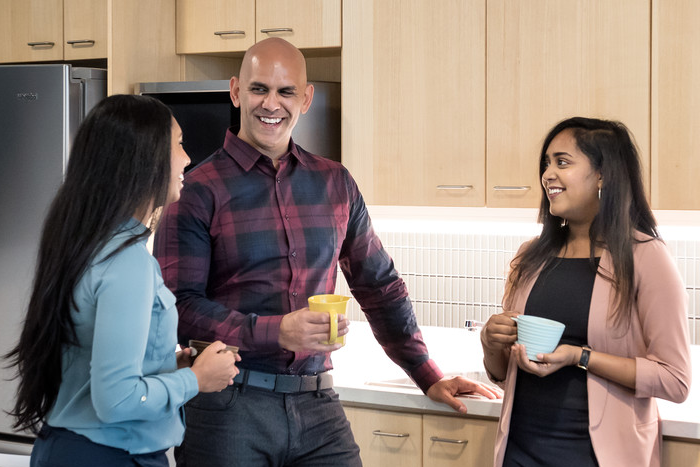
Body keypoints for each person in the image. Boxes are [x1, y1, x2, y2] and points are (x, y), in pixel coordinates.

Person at [154, 37, 500, 467]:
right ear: (236, 91)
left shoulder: (335, 183)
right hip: (228, 407)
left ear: (307, 98)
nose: (271, 104)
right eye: (259, 88)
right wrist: (276, 330)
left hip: (317, 403)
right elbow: (176, 308)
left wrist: (427, 375)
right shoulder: (197, 190)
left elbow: (379, 287)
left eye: (286, 92)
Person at [4, 94, 241, 467]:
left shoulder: (84, 242)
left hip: (66, 449)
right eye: (178, 144)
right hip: (109, 456)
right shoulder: (128, 262)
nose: (187, 158)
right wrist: (196, 380)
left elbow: (93, 360)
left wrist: (166, 364)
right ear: (143, 158)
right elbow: (115, 399)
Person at [480, 117, 692, 467]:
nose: (548, 174)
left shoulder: (646, 257)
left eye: (562, 162)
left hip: (599, 457)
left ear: (602, 175)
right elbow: (505, 372)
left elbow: (675, 380)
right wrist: (491, 344)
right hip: (519, 452)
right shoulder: (529, 257)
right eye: (546, 164)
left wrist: (580, 356)